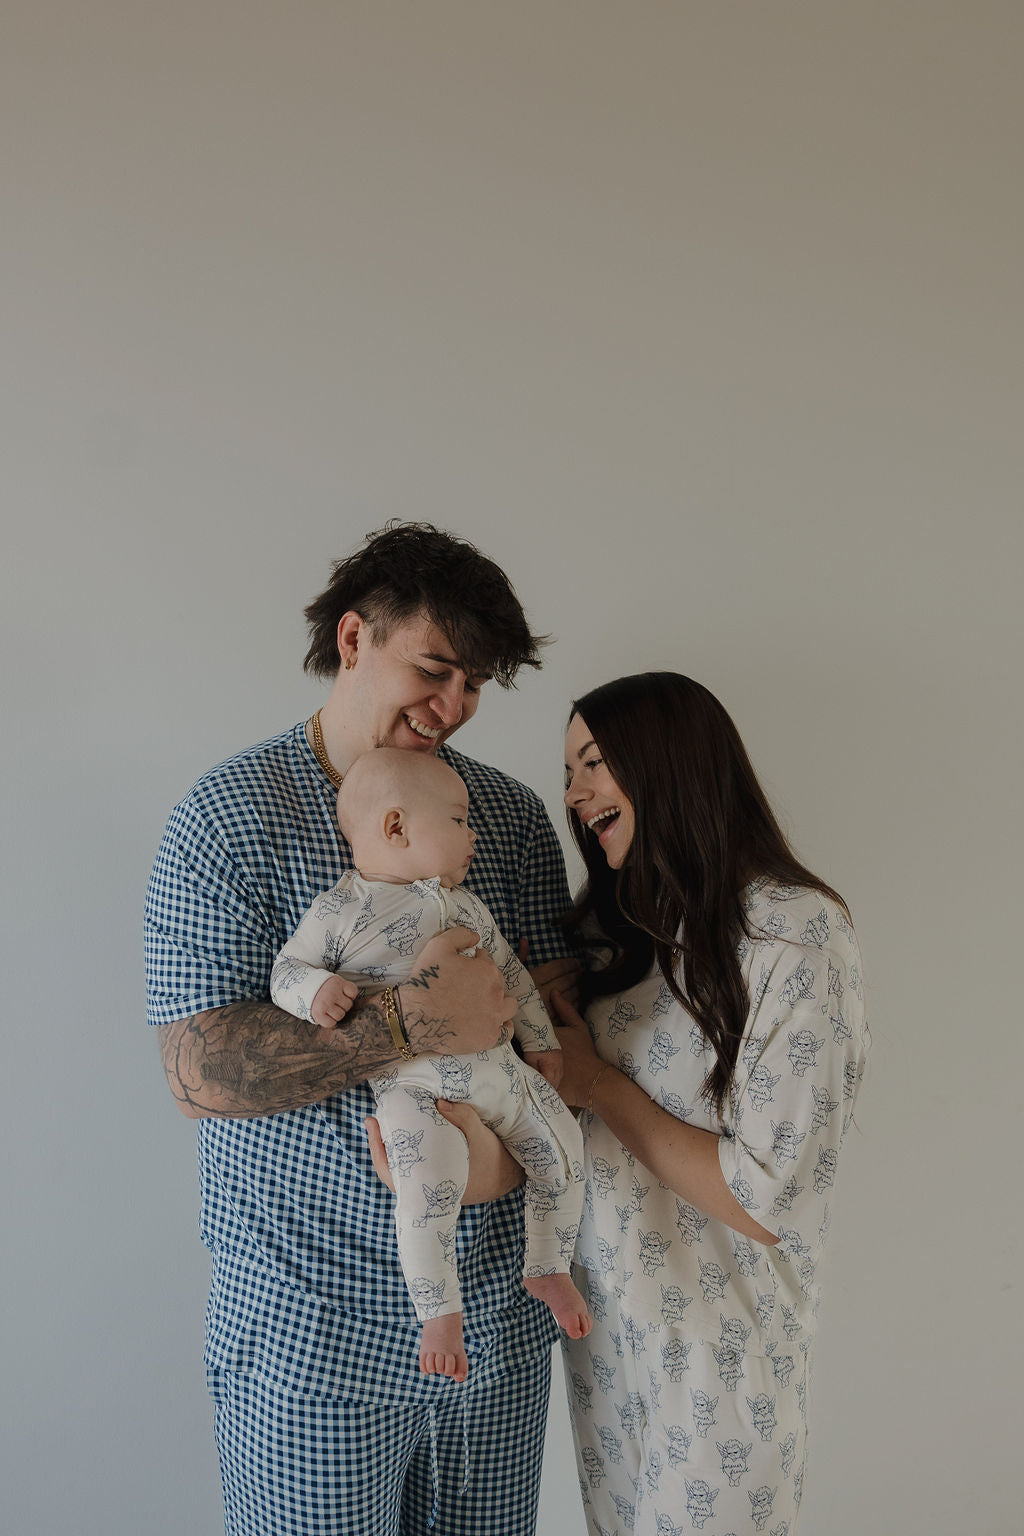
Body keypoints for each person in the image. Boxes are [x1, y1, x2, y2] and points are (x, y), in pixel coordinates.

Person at [144, 523, 579, 1536]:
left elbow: (557, 1032)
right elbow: (195, 1072)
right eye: (434, 670)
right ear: (353, 640)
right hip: (311, 1341)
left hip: (498, 1337)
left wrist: (509, 1157)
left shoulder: (503, 820)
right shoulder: (228, 819)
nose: (454, 707)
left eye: (474, 685)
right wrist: (404, 1021)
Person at [550, 672, 868, 1536]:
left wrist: (598, 1086)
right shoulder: (607, 940)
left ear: (669, 761)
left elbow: (769, 1199)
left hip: (728, 1374)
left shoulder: (793, 933)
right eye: (568, 771)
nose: (573, 795)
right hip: (606, 1353)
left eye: (592, 762)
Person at [269, 747, 591, 1384]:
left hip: (503, 1074)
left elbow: (512, 975)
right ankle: (438, 1311)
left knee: (565, 1149)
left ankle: (548, 1262)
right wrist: (313, 993)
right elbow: (286, 971)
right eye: (459, 820)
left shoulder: (468, 907)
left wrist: (540, 1037)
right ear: (397, 827)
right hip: (413, 1089)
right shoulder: (340, 913)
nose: (474, 836)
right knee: (425, 1189)